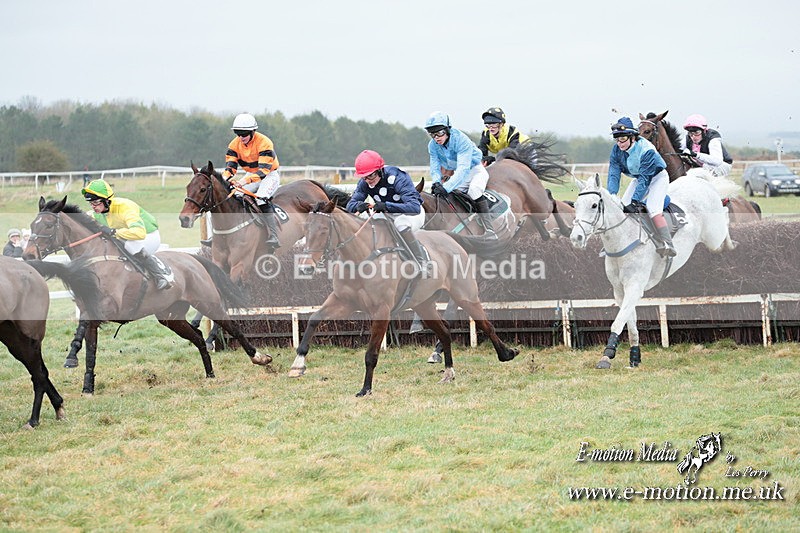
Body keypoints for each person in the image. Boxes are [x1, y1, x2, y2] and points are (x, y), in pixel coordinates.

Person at [345, 150, 429, 273]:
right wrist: (358, 206)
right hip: (386, 213)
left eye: (371, 175)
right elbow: (350, 206)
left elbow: (414, 207)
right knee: (366, 222)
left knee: (400, 223)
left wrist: (386, 206)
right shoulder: (365, 182)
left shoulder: (398, 177)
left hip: (411, 214)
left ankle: (422, 262)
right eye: (364, 177)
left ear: (380, 170)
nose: (368, 180)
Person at [81, 179, 174, 289]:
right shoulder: (96, 213)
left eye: (96, 202)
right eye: (91, 203)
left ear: (107, 200)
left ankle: (160, 275)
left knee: (130, 245)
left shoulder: (125, 207)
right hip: (126, 237)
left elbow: (139, 233)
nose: (93, 206)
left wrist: (114, 232)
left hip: (148, 236)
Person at [607, 117, 676, 257]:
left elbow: (645, 179)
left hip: (657, 178)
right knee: (622, 207)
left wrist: (635, 201)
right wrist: (611, 196)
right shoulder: (616, 150)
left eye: (623, 139)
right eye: (617, 139)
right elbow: (614, 174)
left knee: (653, 209)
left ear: (632, 137)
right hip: (639, 178)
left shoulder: (646, 149)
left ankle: (667, 243)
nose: (619, 143)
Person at [424, 111, 496, 239]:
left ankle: (490, 229)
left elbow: (463, 169)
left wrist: (446, 187)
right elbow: (434, 168)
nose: (436, 138)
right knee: (449, 195)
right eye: (433, 134)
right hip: (459, 173)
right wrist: (436, 182)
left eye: (440, 133)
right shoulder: (432, 146)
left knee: (474, 191)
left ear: (448, 129)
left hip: (475, 170)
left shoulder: (461, 140)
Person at [222, 112, 282, 249]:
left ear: (253, 131)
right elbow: (230, 167)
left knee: (261, 199)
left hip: (269, 175)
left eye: (244, 134)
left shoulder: (265, 143)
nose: (241, 137)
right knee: (233, 196)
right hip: (251, 174)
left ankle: (274, 235)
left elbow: (263, 171)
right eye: (238, 133)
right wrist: (223, 179)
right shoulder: (234, 145)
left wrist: (243, 182)